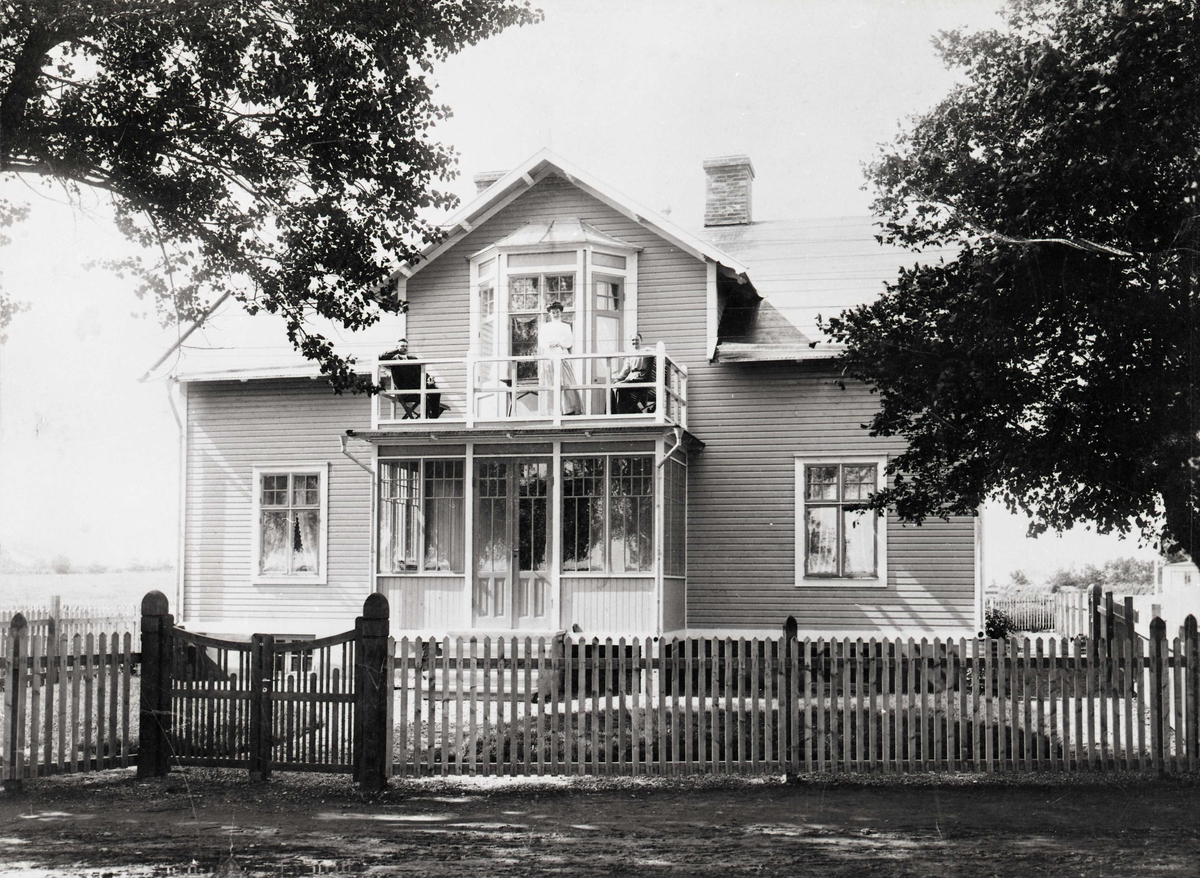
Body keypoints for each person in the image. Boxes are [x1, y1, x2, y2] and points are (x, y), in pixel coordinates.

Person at [538, 301, 582, 415]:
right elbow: (542, 342)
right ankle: (551, 411)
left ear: (561, 312)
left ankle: (569, 409)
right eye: (553, 312)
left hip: (562, 355)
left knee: (565, 381)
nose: (555, 314)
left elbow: (569, 342)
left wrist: (559, 343)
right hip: (549, 356)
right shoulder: (545, 327)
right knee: (550, 382)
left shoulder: (566, 326)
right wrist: (550, 344)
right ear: (550, 314)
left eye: (557, 312)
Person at [612, 333, 656, 414]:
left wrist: (649, 349)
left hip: (641, 377)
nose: (635, 342)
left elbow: (656, 351)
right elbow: (625, 370)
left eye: (637, 340)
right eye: (633, 340)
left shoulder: (645, 351)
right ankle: (622, 411)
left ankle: (634, 409)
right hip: (632, 378)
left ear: (641, 341)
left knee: (621, 387)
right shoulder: (630, 354)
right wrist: (617, 379)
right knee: (616, 387)